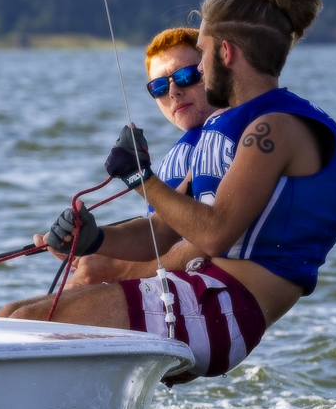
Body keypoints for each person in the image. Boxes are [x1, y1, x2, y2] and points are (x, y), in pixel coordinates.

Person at [0, 0, 336, 385]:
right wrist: (94, 238)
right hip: (201, 298)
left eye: (200, 55)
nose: (198, 71)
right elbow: (163, 229)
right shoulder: (232, 128)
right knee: (13, 317)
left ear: (225, 52)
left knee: (32, 325)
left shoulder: (274, 128)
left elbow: (215, 234)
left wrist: (141, 179)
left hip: (225, 311)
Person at [52, 26, 216, 288]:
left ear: (213, 69)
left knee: (42, 305)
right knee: (15, 312)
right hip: (172, 287)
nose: (173, 92)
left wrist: (113, 268)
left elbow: (212, 241)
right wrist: (92, 242)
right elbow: (159, 231)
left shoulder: (233, 135)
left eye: (185, 76)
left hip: (209, 293)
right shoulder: (181, 153)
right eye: (159, 86)